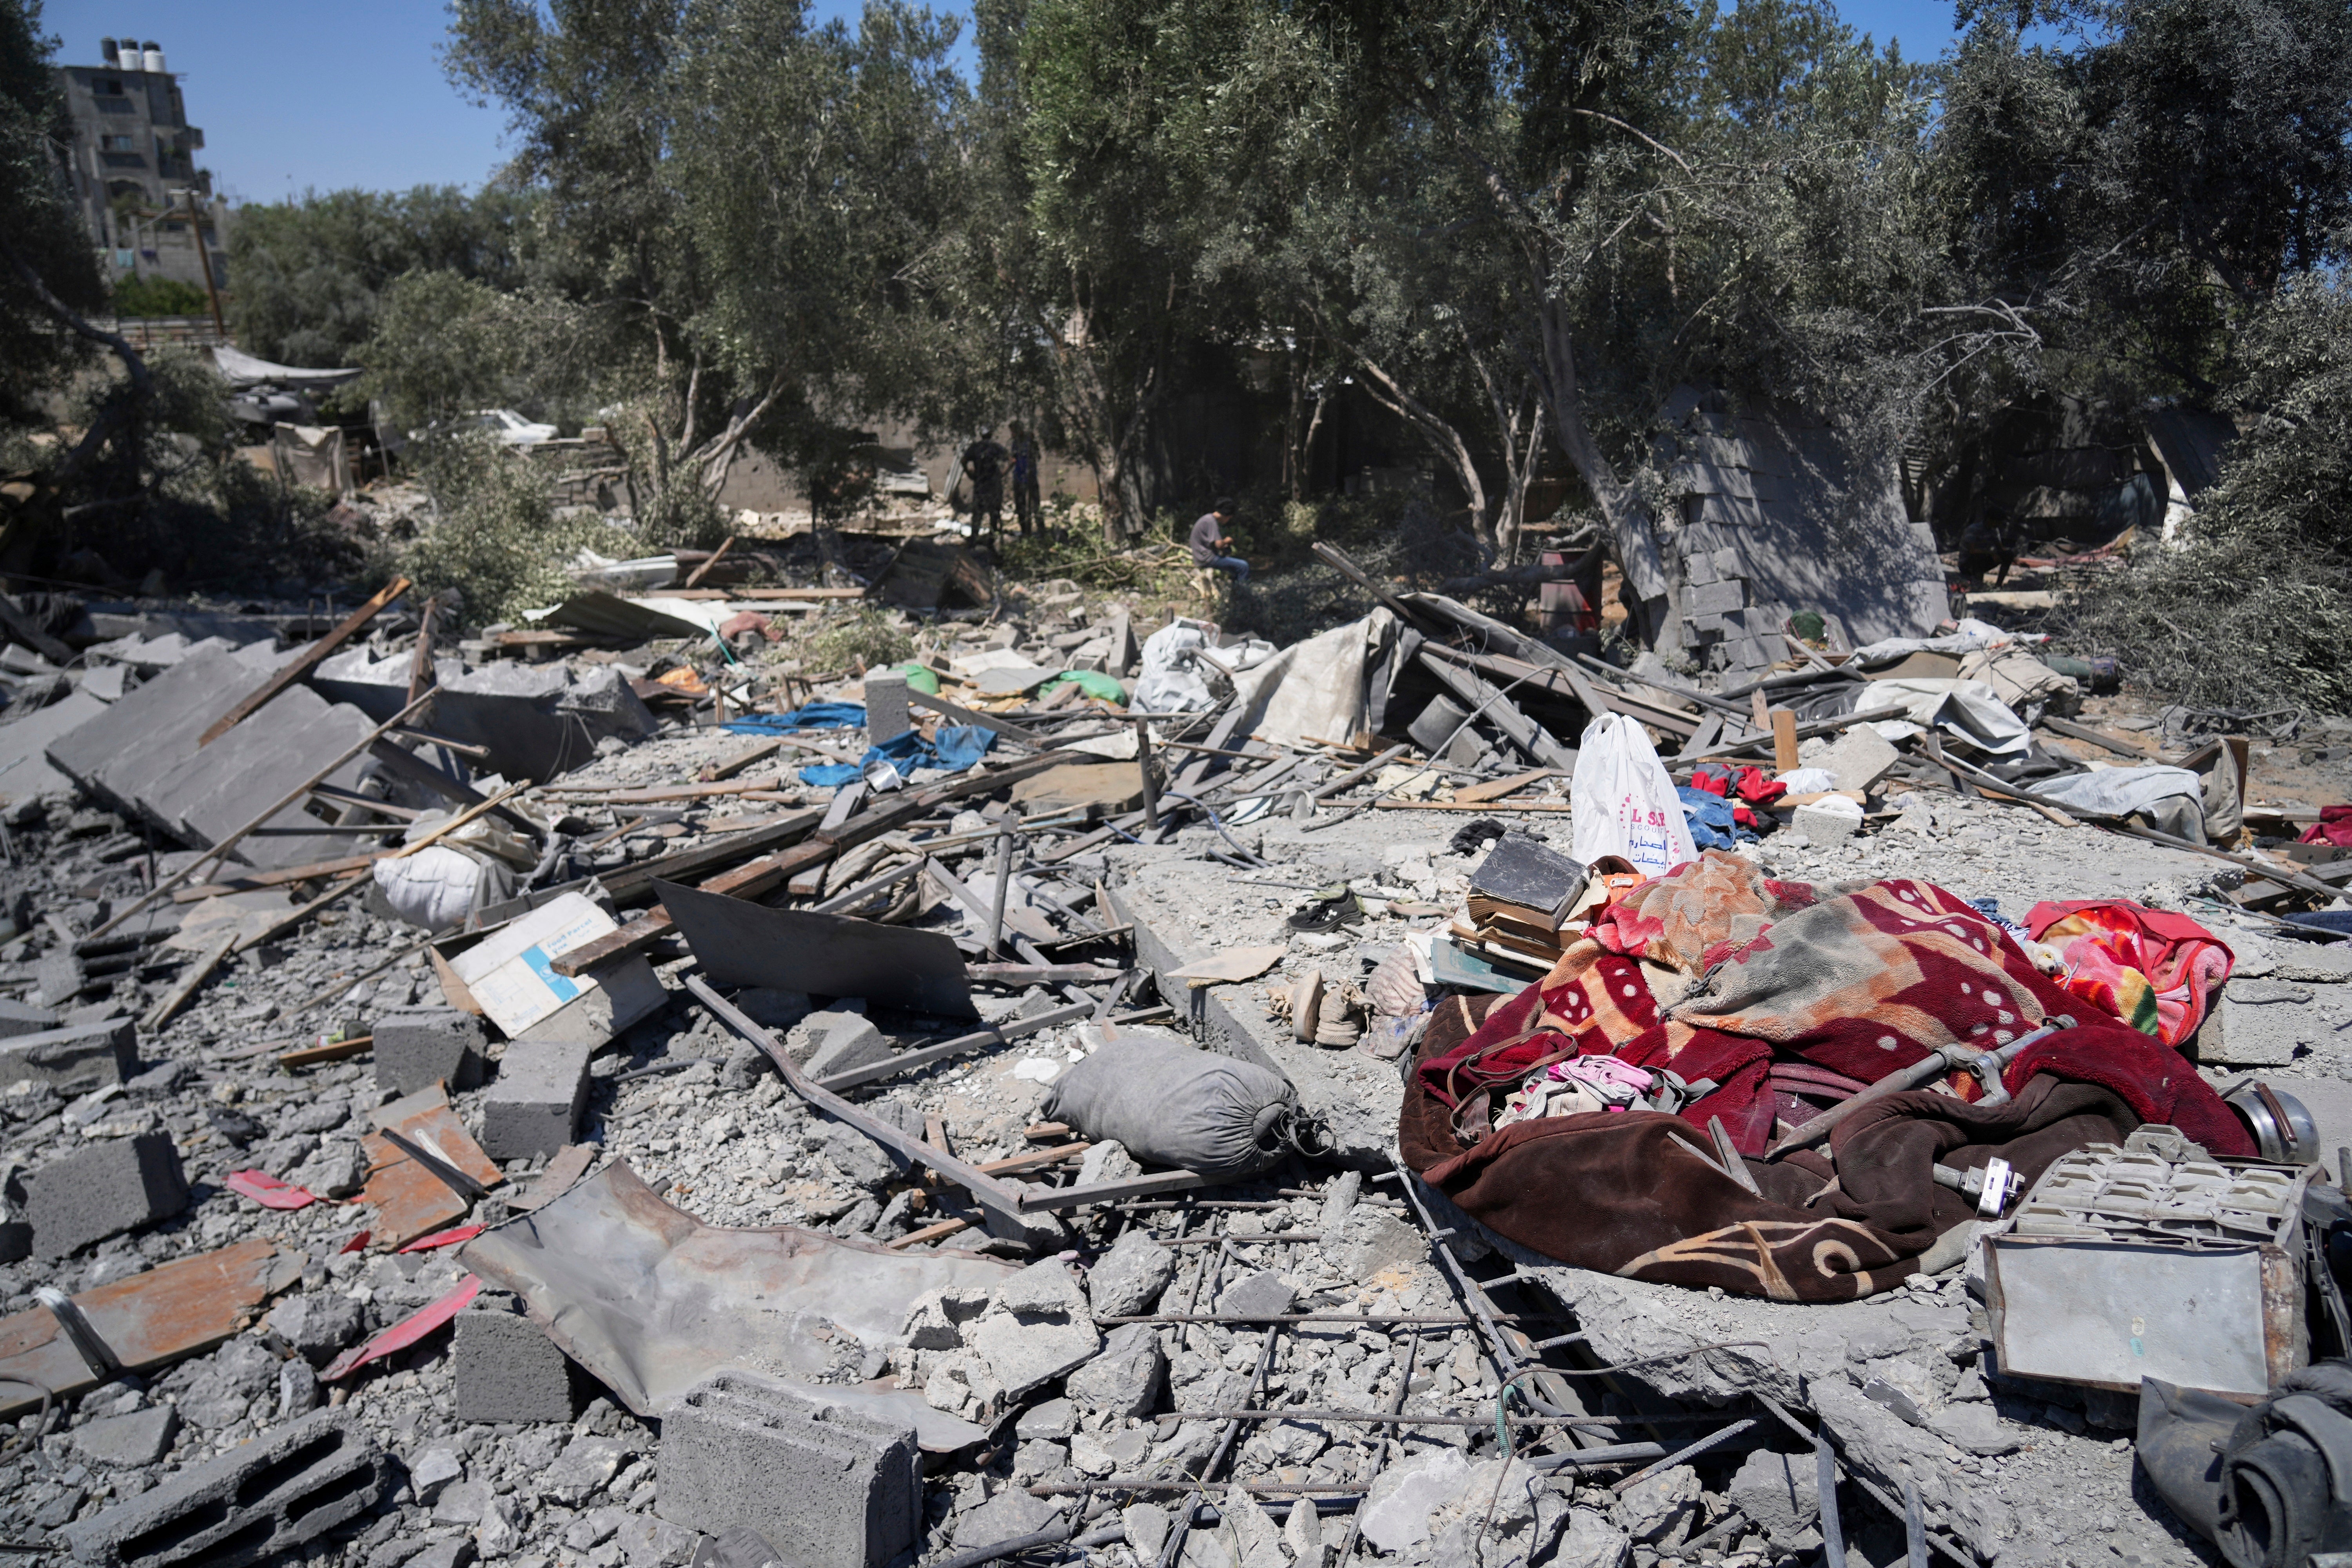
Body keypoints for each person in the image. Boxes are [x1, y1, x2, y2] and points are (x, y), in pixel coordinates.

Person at [962, 430, 1009, 543]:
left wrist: (970, 475)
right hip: (993, 485)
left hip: (981, 485)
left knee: (978, 513)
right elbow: (1011, 460)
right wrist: (1003, 474)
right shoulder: (995, 447)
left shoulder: (976, 448)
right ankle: (992, 539)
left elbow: (963, 461)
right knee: (994, 513)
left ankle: (974, 538)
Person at [1189, 497, 1248, 587]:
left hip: (1202, 557)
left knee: (1235, 568)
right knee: (1244, 566)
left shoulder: (1208, 519)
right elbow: (1219, 545)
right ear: (1227, 515)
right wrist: (1228, 541)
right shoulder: (1211, 522)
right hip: (1207, 559)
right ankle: (1242, 594)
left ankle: (1235, 590)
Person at [1009, 422, 1041, 535]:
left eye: (1013, 431)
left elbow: (1038, 456)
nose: (1011, 434)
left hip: (1030, 478)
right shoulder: (1015, 444)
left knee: (1035, 506)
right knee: (1020, 506)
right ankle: (1025, 532)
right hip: (1019, 478)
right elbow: (1013, 460)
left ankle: (1041, 532)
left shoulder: (1030, 442)